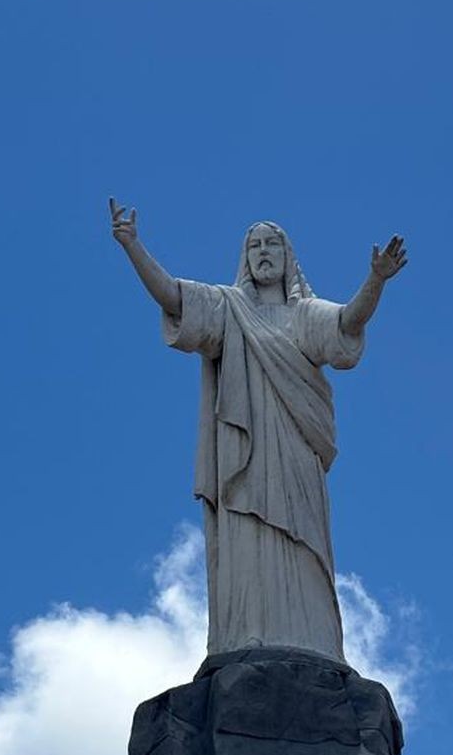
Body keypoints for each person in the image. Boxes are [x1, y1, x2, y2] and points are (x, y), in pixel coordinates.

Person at [109, 198, 407, 662]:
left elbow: (348, 323)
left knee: (304, 541)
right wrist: (132, 246)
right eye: (255, 245)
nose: (264, 251)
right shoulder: (228, 309)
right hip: (243, 456)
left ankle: (313, 642)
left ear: (289, 257)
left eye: (273, 244)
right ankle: (244, 636)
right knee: (246, 540)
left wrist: (376, 280)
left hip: (294, 453)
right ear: (245, 259)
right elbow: (174, 299)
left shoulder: (304, 315)